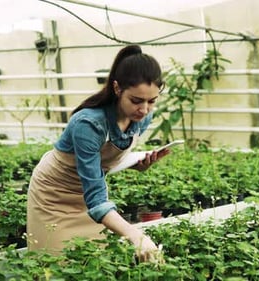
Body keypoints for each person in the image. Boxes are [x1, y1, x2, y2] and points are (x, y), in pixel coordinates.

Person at [26, 45, 169, 262]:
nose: (144, 109)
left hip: (90, 193)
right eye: (136, 101)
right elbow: (96, 199)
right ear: (117, 88)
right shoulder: (89, 124)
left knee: (94, 262)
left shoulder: (142, 116)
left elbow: (104, 160)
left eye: (152, 101)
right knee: (55, 265)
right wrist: (135, 234)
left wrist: (136, 163)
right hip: (54, 195)